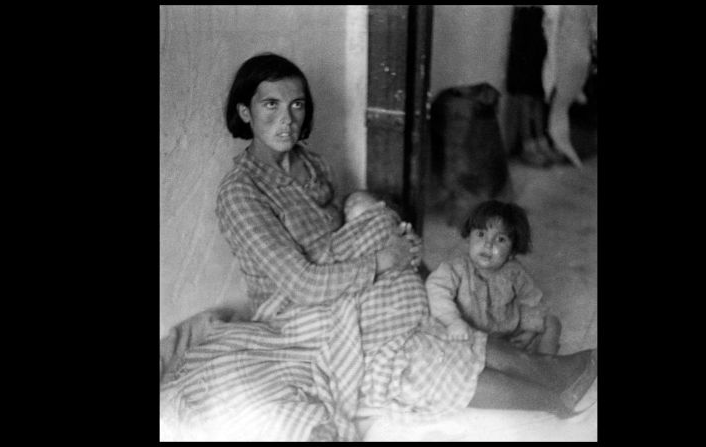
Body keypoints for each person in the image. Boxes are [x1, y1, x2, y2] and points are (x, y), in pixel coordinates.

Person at [159, 52, 597, 442]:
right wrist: (382, 258)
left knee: (426, 316)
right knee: (401, 353)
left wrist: (382, 236)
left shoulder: (309, 163)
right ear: (244, 111)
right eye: (269, 105)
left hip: (342, 284)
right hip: (296, 311)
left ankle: (552, 378)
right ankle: (552, 388)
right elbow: (303, 283)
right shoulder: (241, 193)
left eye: (296, 105)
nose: (286, 119)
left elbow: (338, 233)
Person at [426, 200, 561, 354]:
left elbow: (531, 300)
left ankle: (546, 366)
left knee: (552, 323)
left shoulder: (515, 273)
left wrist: (530, 330)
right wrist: (452, 321)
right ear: (469, 237)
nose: (488, 244)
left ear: (512, 252)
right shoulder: (456, 268)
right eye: (481, 234)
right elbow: (436, 289)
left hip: (507, 336)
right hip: (468, 334)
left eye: (500, 239)